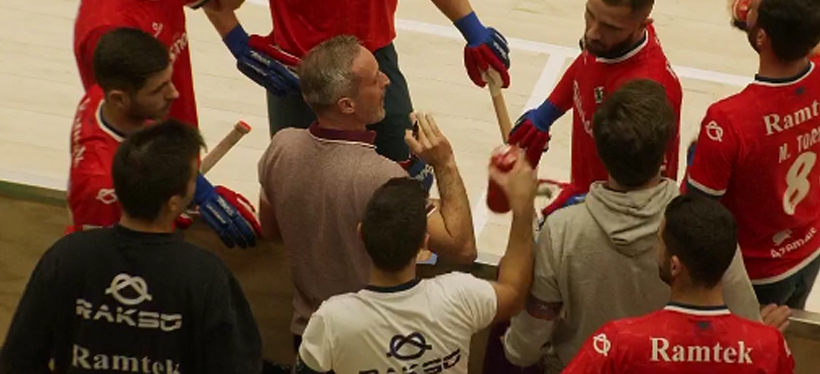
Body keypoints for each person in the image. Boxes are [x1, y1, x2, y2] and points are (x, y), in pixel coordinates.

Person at [502, 79, 765, 373]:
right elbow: (747, 327)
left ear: (601, 151)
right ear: (665, 156)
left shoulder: (561, 231)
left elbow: (523, 349)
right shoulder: (707, 228)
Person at [208, 0, 510, 164]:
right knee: (296, 196)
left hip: (375, 66)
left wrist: (472, 28)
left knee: (405, 185)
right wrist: (238, 43)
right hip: (299, 75)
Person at [257, 35, 477, 349]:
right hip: (372, 344)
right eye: (375, 79)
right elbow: (462, 246)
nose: (387, 81)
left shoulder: (280, 148)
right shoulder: (382, 176)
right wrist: (445, 164)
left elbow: (271, 230)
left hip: (309, 339)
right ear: (347, 105)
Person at [0, 120, 262, 373]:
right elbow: (237, 365)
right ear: (173, 203)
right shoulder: (206, 275)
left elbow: (19, 359)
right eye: (195, 180)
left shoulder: (66, 257)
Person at [684, 0, 820, 308]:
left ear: (762, 36)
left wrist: (696, 156)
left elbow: (697, 215)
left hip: (756, 272)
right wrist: (766, 26)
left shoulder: (729, 120)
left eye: (754, 6)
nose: (748, 5)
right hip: (809, 250)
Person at [293, 151, 538, 374]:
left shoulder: (332, 320)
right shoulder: (459, 296)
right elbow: (514, 293)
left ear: (361, 234)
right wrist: (522, 207)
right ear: (424, 245)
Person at [507, 0, 683, 217]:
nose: (592, 33)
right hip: (588, 191)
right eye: (590, 14)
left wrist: (589, 206)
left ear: (643, 25)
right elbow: (588, 64)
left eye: (609, 26)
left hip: (615, 213)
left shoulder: (648, 93)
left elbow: (645, 190)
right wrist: (547, 112)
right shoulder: (608, 42)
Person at [68, 27, 260, 248]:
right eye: (158, 89)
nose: (174, 93)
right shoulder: (103, 189)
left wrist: (199, 190)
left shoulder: (103, 99)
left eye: (169, 81)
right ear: (119, 99)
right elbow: (103, 260)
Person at [75, 0, 278, 128]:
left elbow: (222, 2)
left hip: (181, 135)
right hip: (150, 150)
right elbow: (121, 119)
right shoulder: (107, 29)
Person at [562, 196, 796, 373]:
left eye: (659, 241)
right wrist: (757, 342)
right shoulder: (768, 346)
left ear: (675, 266)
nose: (656, 249)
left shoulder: (619, 341)